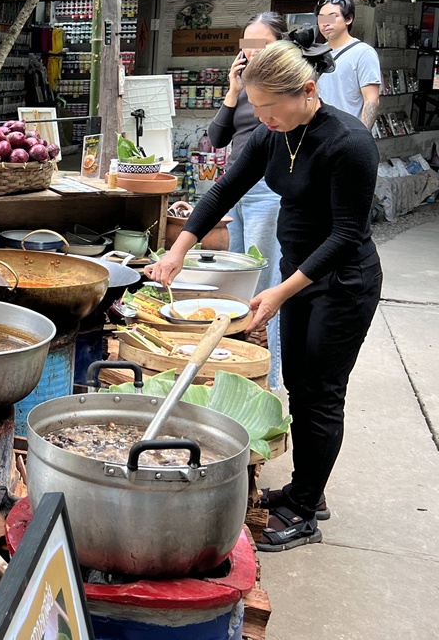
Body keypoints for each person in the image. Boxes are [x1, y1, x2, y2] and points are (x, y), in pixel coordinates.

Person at [146, 29, 382, 553]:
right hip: (300, 278)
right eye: (257, 107)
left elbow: (346, 236)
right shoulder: (274, 134)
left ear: (306, 91)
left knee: (321, 394)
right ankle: (307, 489)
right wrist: (177, 250)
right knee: (297, 382)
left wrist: (279, 292)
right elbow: (224, 187)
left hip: (343, 283)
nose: (265, 118)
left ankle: (304, 511)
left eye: (271, 108)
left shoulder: (349, 143)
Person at [207, 11, 288, 389]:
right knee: (237, 285)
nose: (253, 53)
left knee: (265, 288)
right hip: (236, 190)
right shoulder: (244, 89)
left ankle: (267, 381)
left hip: (267, 192)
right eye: (248, 46)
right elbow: (217, 138)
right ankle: (239, 372)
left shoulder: (284, 90)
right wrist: (233, 89)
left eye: (262, 45)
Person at [315, 0, 381, 130]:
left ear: (348, 19)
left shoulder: (363, 53)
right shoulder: (317, 53)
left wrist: (362, 136)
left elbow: (371, 99)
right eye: (321, 18)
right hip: (318, 132)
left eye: (332, 17)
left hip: (346, 133)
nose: (325, 23)